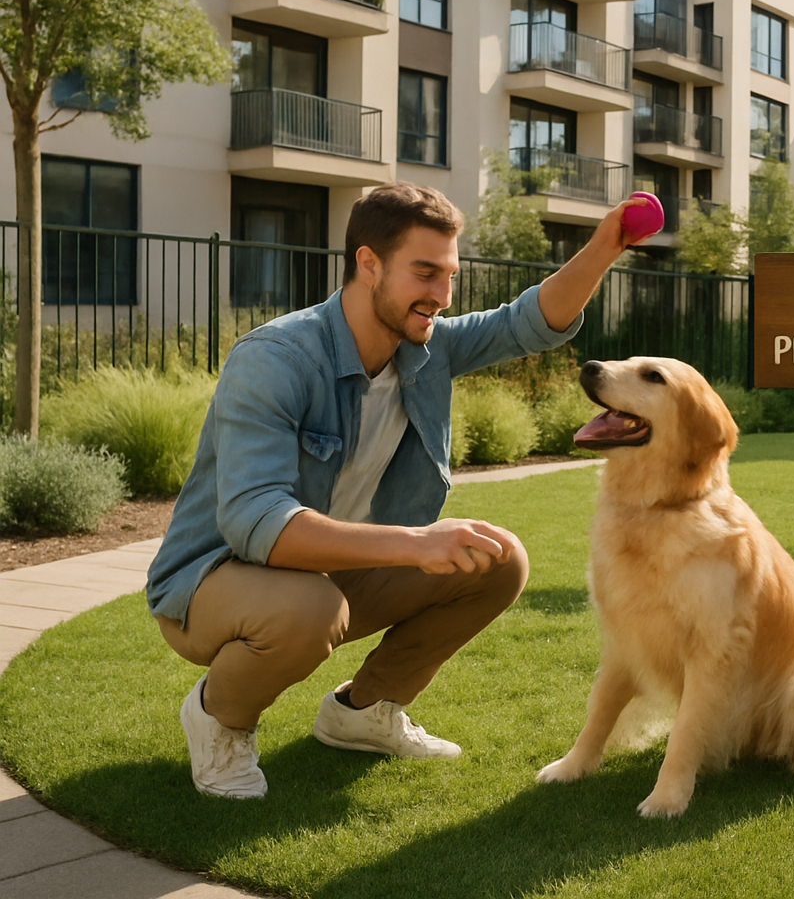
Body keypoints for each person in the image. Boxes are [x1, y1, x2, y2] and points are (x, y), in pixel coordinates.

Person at [146, 182, 648, 799]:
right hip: (214, 583)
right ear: (368, 263)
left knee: (496, 558)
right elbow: (257, 522)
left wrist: (603, 247)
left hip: (330, 574)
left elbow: (529, 324)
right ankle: (219, 719)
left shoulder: (427, 347)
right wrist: (413, 543)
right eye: (425, 272)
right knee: (311, 609)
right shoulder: (276, 358)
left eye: (450, 275)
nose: (441, 295)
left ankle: (363, 713)